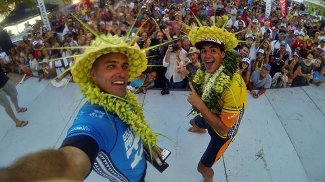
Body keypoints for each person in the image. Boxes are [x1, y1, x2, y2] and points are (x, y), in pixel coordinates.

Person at [0, 34, 167, 181]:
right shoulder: (93, 118)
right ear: (93, 75)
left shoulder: (125, 98)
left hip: (142, 169)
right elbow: (72, 158)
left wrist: (150, 144)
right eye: (111, 66)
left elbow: (136, 127)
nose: (122, 72)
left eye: (124, 66)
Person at [186, 24, 247, 182]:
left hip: (223, 131)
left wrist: (199, 104)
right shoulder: (208, 69)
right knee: (193, 121)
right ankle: (201, 129)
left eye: (213, 50)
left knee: (202, 167)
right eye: (204, 50)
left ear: (223, 54)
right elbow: (201, 86)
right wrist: (187, 74)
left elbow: (224, 129)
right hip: (211, 112)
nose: (207, 55)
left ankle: (209, 180)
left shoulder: (233, 86)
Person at [0, 58, 28, 127]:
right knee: (6, 104)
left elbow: (2, 62)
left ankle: (17, 108)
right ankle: (17, 122)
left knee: (14, 94)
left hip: (3, 79)